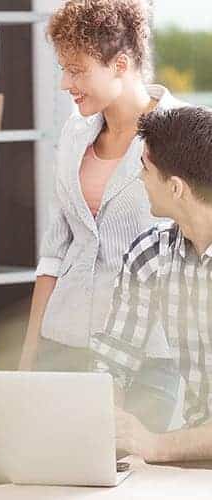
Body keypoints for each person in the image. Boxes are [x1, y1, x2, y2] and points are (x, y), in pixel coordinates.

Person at [19, 0, 181, 432]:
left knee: (129, 468)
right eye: (63, 69)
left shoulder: (184, 134)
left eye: (77, 70)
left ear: (120, 64)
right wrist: (30, 354)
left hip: (148, 355)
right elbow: (55, 251)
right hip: (64, 341)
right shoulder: (74, 133)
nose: (65, 83)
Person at [92, 106, 212, 461]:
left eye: (145, 168)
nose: (139, 178)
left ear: (175, 188)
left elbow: (157, 446)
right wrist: (108, 426)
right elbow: (113, 360)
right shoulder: (151, 254)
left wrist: (157, 445)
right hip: (194, 462)